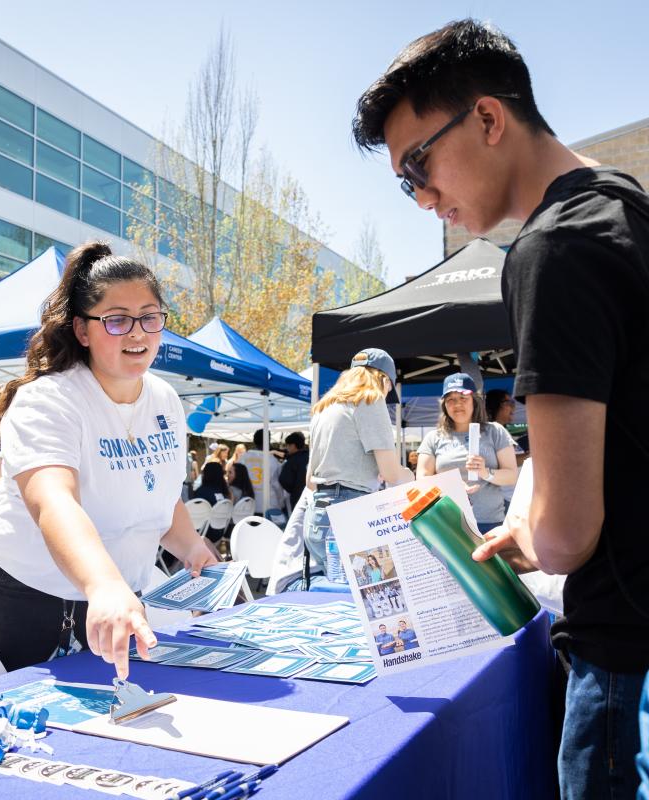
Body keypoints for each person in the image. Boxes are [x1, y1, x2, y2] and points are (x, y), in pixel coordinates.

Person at [353, 18, 649, 797]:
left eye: (419, 162)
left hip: (623, 660)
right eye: (402, 182)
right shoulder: (628, 212)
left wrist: (531, 530)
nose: (420, 196)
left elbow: (568, 533)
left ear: (487, 118)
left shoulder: (553, 249)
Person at [0, 241, 216, 677]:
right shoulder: (48, 400)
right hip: (19, 603)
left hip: (117, 603)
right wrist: (103, 584)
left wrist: (192, 548)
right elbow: (54, 502)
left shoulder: (166, 401)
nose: (137, 333)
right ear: (82, 330)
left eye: (150, 318)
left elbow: (160, 496)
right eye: (116, 321)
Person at [304, 348, 413, 577]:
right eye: (389, 387)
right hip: (349, 514)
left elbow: (310, 481)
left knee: (333, 598)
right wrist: (411, 476)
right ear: (383, 379)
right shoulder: (370, 400)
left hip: (316, 516)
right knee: (361, 599)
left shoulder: (323, 408)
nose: (387, 394)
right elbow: (392, 474)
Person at [417, 373, 517, 534]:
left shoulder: (495, 431)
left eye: (463, 398)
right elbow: (422, 479)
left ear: (475, 401)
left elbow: (511, 476)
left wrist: (485, 472)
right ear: (444, 405)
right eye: (451, 399)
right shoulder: (433, 437)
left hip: (490, 523)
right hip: (448, 523)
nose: (457, 404)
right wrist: (449, 486)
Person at [238, 429, 285, 514]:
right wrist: (281, 502)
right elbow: (277, 485)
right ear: (268, 441)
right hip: (268, 504)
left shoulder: (243, 458)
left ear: (254, 441)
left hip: (247, 504)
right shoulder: (272, 460)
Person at [192, 462, 232, 543]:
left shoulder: (201, 492)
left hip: (203, 533)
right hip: (219, 532)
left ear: (206, 474)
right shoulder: (224, 493)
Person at [278, 431, 309, 513]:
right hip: (312, 496)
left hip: (297, 498)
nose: (287, 448)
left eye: (287, 445)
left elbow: (284, 480)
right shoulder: (310, 456)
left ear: (293, 445)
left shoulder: (291, 461)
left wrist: (293, 490)